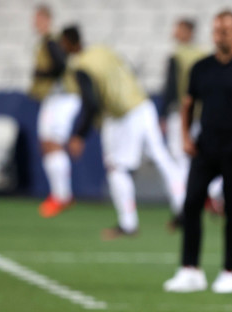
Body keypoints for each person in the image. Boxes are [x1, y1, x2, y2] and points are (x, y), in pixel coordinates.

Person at [163, 10, 232, 294]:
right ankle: (190, 269)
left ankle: (229, 272)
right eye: (216, 31)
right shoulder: (201, 67)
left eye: (225, 31)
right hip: (206, 145)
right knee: (191, 203)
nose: (220, 36)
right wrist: (185, 137)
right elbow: (188, 103)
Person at [59, 26, 186, 240]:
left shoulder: (80, 65)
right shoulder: (103, 50)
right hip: (142, 103)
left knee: (117, 167)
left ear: (68, 43)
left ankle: (128, 223)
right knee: (162, 158)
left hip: (121, 115)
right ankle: (184, 209)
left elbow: (90, 103)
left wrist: (79, 135)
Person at [29, 5, 80, 218]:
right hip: (53, 98)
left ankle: (63, 196)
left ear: (47, 20)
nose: (36, 23)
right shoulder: (45, 42)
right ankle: (58, 194)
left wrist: (41, 73)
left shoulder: (51, 41)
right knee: (47, 144)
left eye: (39, 19)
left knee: (54, 143)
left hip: (62, 97)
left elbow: (60, 65)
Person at [159, 18, 205, 177]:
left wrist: (163, 114)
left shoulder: (177, 56)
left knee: (178, 153)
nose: (175, 32)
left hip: (182, 112)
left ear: (187, 31)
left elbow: (171, 87)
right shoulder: (202, 54)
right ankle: (211, 194)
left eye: (178, 28)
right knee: (199, 153)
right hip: (202, 112)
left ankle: (184, 194)